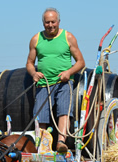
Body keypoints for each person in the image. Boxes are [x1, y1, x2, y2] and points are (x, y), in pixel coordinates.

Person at [26, 7, 85, 152]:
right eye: (47, 22)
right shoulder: (36, 39)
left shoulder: (68, 37)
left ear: (58, 21)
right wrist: (33, 73)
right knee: (40, 115)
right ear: (43, 23)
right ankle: (43, 145)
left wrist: (69, 72)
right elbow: (29, 63)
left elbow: (81, 62)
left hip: (63, 83)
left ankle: (60, 142)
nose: (50, 25)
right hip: (43, 84)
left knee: (64, 112)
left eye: (53, 22)